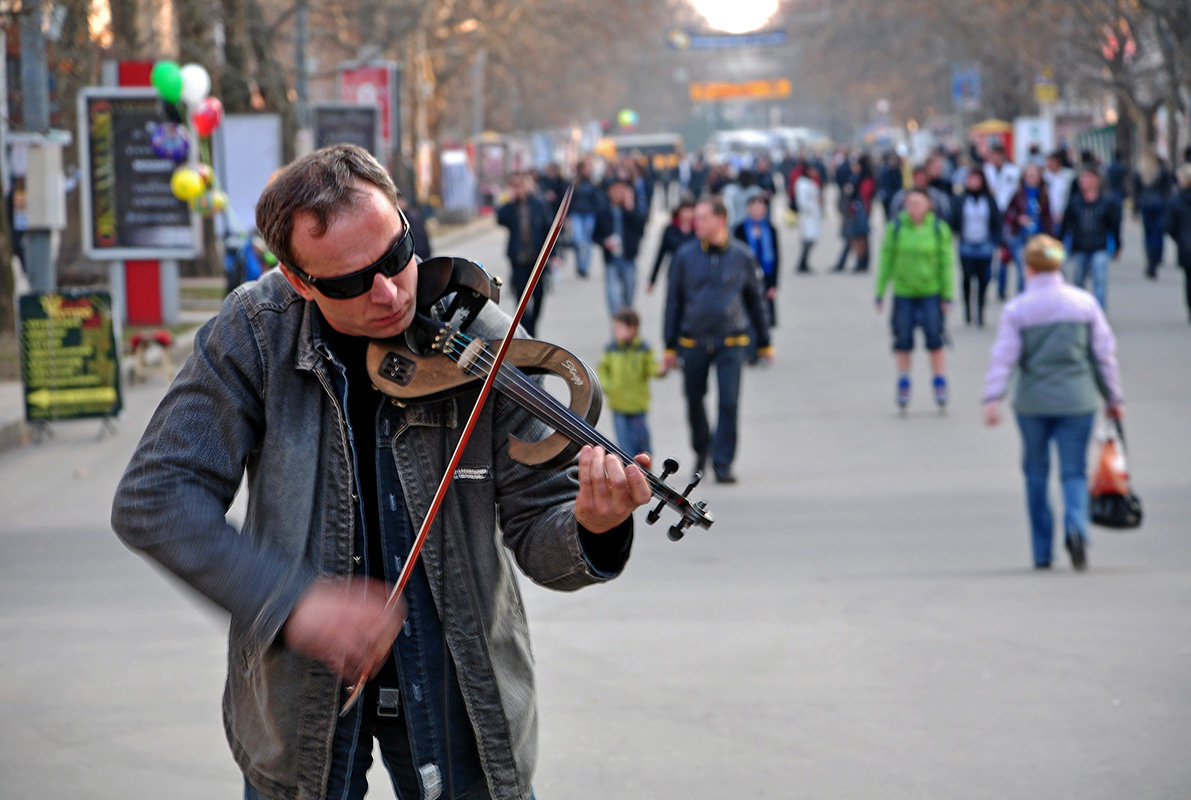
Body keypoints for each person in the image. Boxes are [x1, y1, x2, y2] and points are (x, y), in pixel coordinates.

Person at [110, 144, 651, 800]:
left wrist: (592, 527)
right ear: (298, 279)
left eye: (396, 256)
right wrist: (292, 602)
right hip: (300, 688)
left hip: (459, 679)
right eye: (349, 282)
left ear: (403, 218)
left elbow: (541, 527)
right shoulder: (256, 330)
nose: (390, 293)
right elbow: (155, 496)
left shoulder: (478, 331)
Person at [982, 234, 1124, 571]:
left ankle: (1042, 550)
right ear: (1058, 264)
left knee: (1035, 473)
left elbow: (1004, 357)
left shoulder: (1018, 309)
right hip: (1077, 401)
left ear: (1028, 267)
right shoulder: (1084, 303)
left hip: (1032, 403)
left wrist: (993, 396)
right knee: (1073, 471)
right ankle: (1076, 527)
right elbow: (1103, 356)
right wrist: (1113, 397)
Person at [662, 197, 774, 484]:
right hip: (693, 342)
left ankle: (723, 462)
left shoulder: (742, 256)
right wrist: (669, 346)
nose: (694, 223)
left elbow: (755, 301)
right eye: (695, 218)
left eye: (702, 218)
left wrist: (764, 342)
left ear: (721, 219)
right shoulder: (685, 256)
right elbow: (673, 302)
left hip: (731, 341)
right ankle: (702, 450)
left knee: (729, 402)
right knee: (694, 400)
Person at [875, 188, 955, 411]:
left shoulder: (939, 229)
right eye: (910, 203)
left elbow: (946, 264)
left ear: (929, 205)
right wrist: (880, 292)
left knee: (935, 339)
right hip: (904, 293)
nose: (914, 208)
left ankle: (939, 381)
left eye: (918, 203)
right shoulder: (896, 228)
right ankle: (903, 381)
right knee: (903, 340)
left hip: (931, 292)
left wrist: (947, 295)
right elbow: (886, 260)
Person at [597, 306, 663, 457]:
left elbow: (653, 368)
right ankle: (630, 469)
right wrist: (608, 386)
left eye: (620, 329)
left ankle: (646, 467)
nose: (616, 333)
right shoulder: (611, 349)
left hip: (637, 405)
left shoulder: (643, 349)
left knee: (642, 440)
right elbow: (602, 370)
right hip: (618, 405)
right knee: (624, 445)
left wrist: (662, 369)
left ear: (633, 329)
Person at [1059, 167, 1122, 310]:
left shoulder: (1107, 202)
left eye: (1089, 177)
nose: (1085, 181)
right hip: (1079, 246)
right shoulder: (1075, 202)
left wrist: (1117, 246)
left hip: (1099, 247)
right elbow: (1066, 225)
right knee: (1078, 282)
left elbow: (1114, 226)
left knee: (1100, 281)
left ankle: (1098, 313)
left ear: (1097, 180)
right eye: (1083, 178)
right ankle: (1079, 312)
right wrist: (1059, 243)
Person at [496, 172, 551, 336]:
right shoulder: (512, 207)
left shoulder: (539, 204)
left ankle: (533, 324)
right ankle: (527, 328)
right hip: (518, 259)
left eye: (522, 185)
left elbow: (548, 228)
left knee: (539, 294)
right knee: (521, 296)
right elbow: (500, 218)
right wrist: (510, 199)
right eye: (516, 186)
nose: (519, 189)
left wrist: (553, 254)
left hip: (537, 258)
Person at [950, 169, 1002, 327]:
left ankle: (980, 312)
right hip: (966, 244)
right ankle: (967, 311)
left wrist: (998, 242)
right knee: (967, 277)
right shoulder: (960, 199)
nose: (973, 182)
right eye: (970, 179)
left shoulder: (989, 199)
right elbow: (954, 219)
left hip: (984, 244)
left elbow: (997, 221)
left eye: (976, 179)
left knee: (983, 280)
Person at [593, 179, 646, 319]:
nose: (619, 193)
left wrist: (630, 207)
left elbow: (641, 230)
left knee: (628, 299)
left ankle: (627, 327)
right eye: (616, 190)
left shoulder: (631, 211)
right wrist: (604, 242)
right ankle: (617, 332)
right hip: (611, 261)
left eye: (623, 190)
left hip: (629, 259)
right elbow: (595, 235)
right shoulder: (603, 211)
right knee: (614, 299)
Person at [734, 194, 780, 336]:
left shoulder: (770, 229)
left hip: (766, 275)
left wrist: (774, 284)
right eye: (753, 207)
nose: (757, 210)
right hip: (747, 276)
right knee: (748, 312)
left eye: (760, 206)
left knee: (765, 315)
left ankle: (764, 344)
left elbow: (777, 257)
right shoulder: (740, 229)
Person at [1004, 163, 1054, 297]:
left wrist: (1051, 237)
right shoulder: (1018, 194)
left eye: (1034, 174)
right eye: (1028, 174)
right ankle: (1022, 300)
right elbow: (1008, 213)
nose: (1031, 177)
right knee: (1023, 272)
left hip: (1038, 238)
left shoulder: (1043, 195)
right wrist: (1018, 219)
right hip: (1021, 237)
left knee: (1038, 271)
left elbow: (1048, 217)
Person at [1132, 151, 1174, 279]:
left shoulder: (1141, 173)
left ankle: (1151, 260)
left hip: (1146, 205)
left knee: (1148, 235)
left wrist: (1136, 208)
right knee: (1158, 235)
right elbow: (1168, 190)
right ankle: (1155, 260)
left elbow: (1136, 192)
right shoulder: (1161, 172)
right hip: (1159, 206)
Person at [647, 196, 697, 293]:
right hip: (675, 271)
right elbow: (661, 254)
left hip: (693, 271)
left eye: (690, 211)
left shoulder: (698, 230)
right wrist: (652, 279)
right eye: (685, 211)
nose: (687, 214)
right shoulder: (670, 230)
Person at [1165, 163, 1191, 322]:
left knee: (1188, 279)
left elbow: (1170, 226)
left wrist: (1179, 239)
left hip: (1185, 245)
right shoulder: (1176, 199)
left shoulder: (1176, 199)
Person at [569, 160, 602, 278]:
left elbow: (598, 200)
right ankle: (579, 263)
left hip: (589, 215)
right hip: (576, 214)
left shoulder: (593, 183)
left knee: (587, 242)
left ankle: (584, 267)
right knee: (578, 241)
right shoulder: (574, 183)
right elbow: (569, 200)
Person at [794, 165, 823, 273]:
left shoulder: (811, 182)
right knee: (808, 240)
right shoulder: (802, 183)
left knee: (811, 239)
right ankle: (802, 263)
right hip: (808, 216)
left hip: (813, 215)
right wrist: (810, 209)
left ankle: (804, 262)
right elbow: (802, 201)